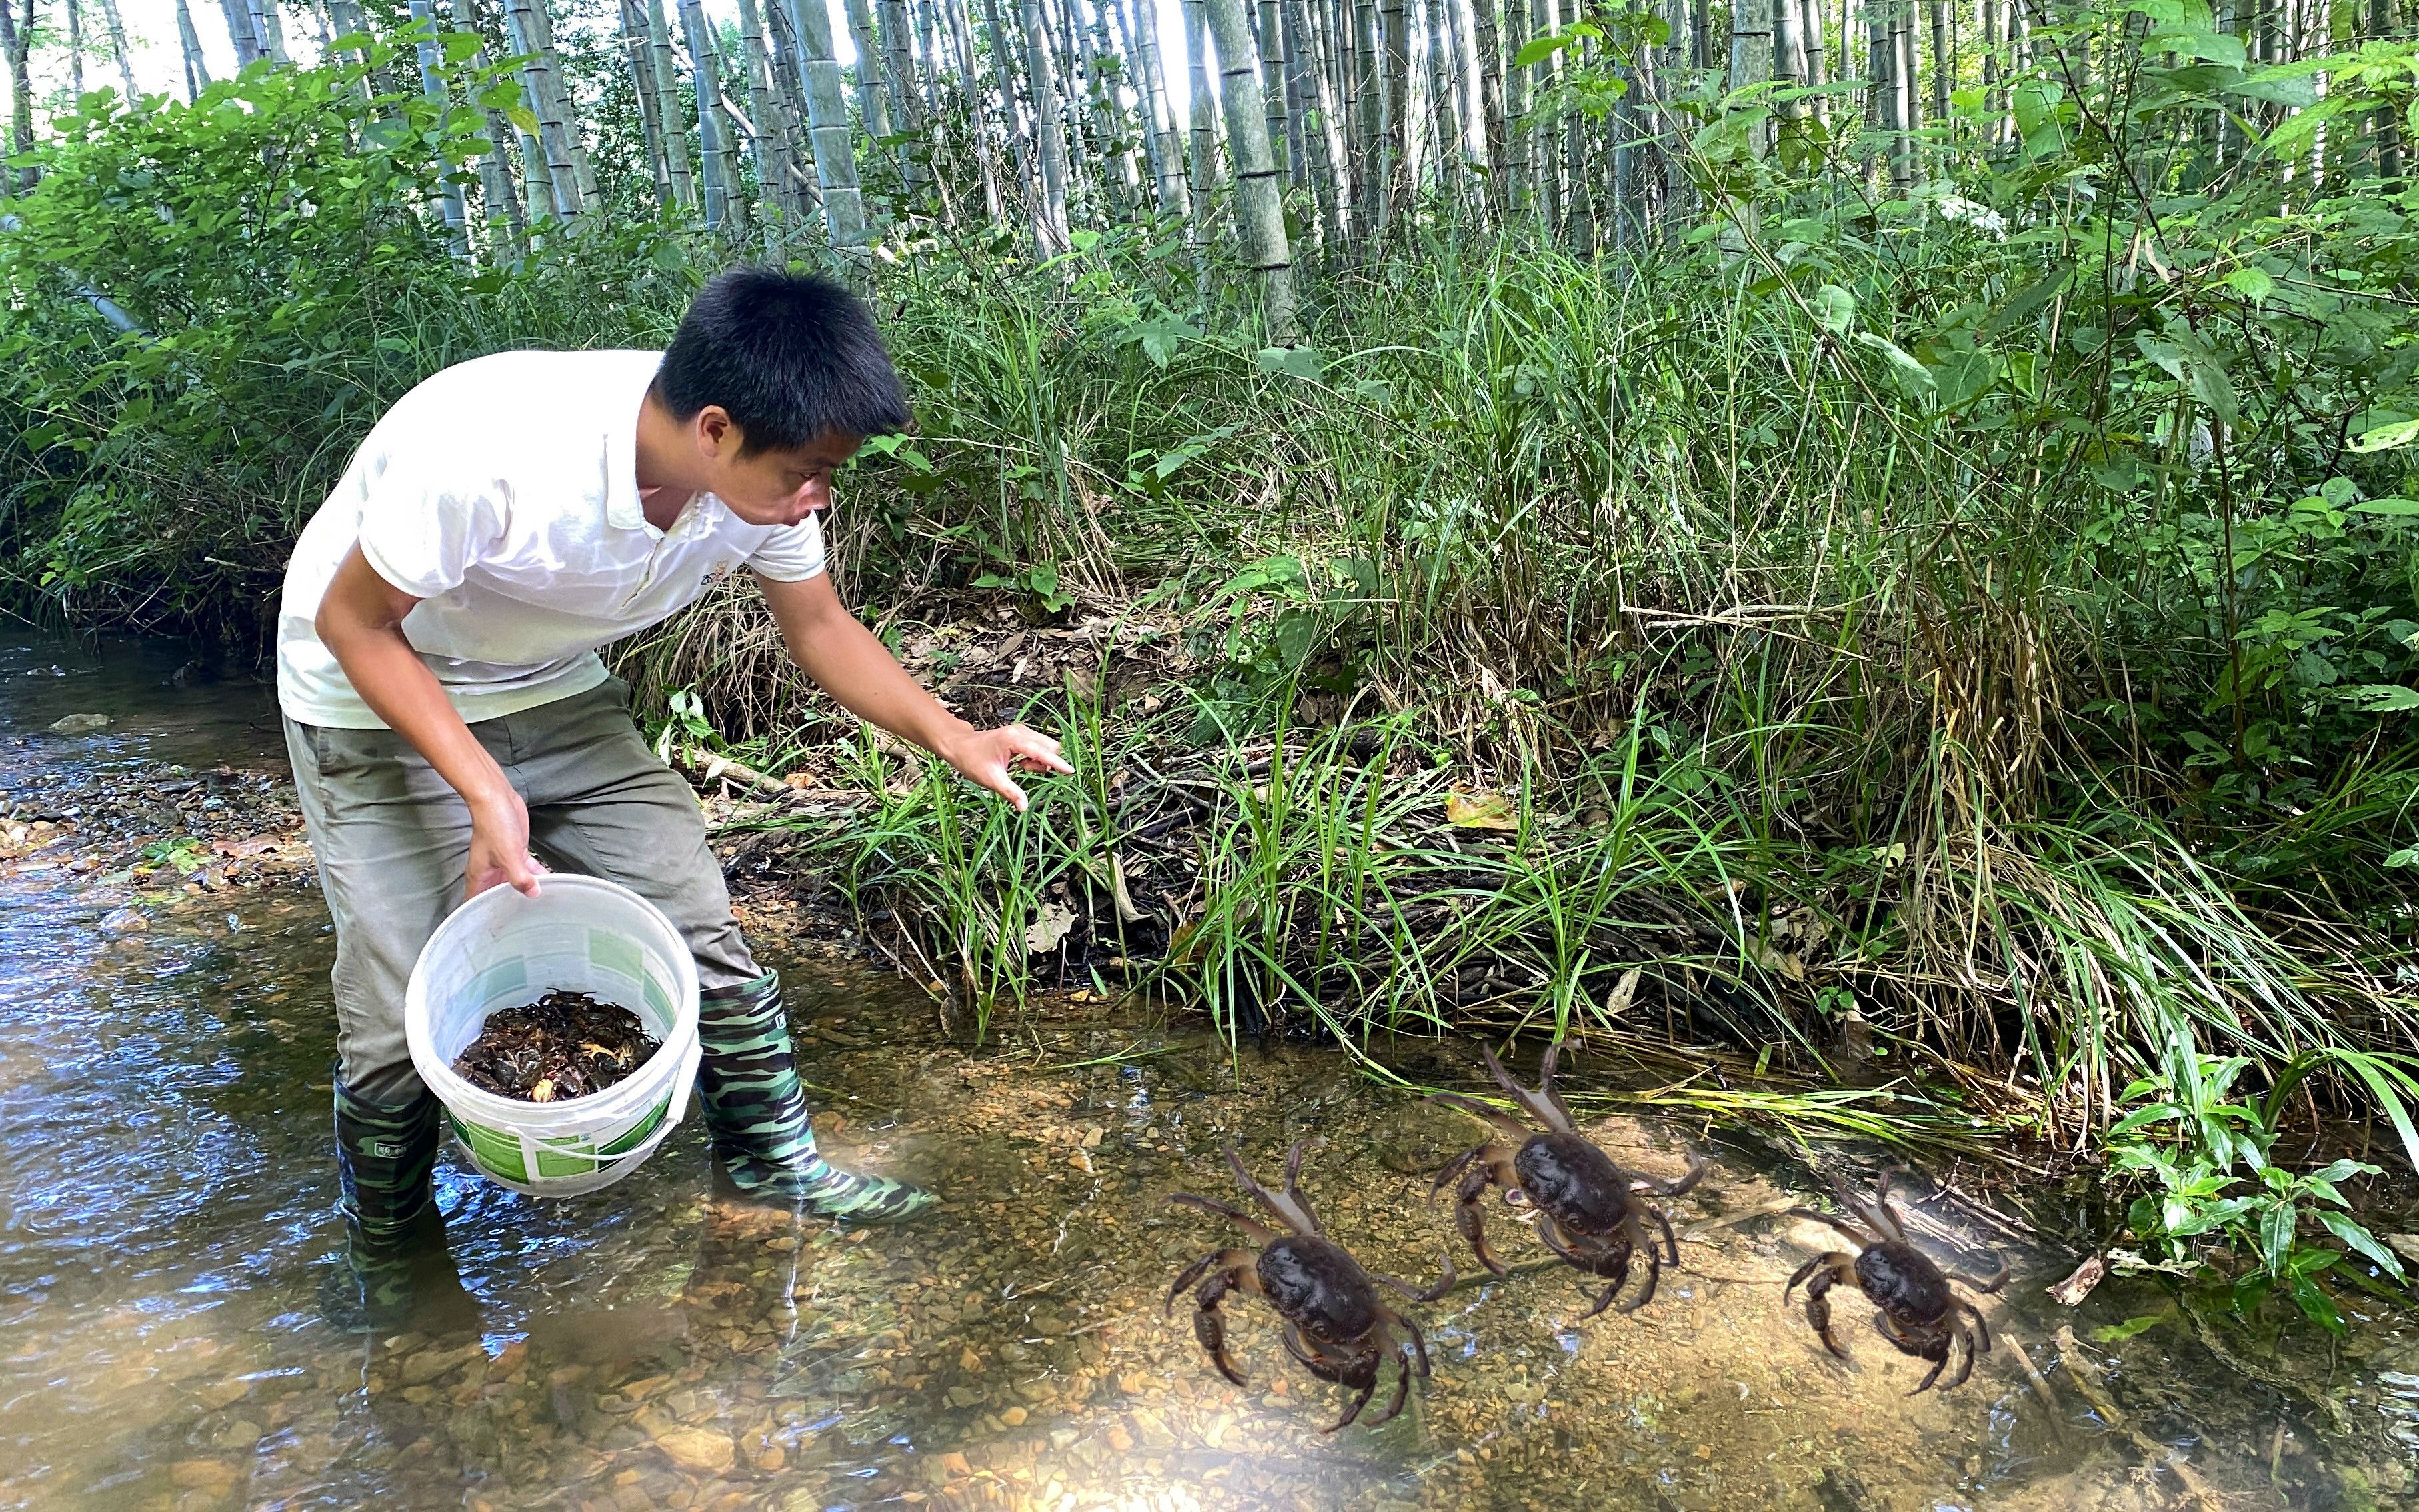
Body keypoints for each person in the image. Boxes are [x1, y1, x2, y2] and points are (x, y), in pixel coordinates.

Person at [277, 267, 1067, 1323]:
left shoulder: (757, 485)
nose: (819, 495)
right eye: (809, 472)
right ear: (714, 427)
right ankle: (392, 1251)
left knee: (693, 923)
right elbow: (355, 624)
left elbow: (820, 627)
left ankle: (773, 1168)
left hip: (551, 688)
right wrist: (486, 794)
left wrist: (956, 736)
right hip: (367, 689)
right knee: (394, 1010)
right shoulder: (490, 452)